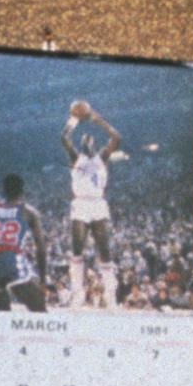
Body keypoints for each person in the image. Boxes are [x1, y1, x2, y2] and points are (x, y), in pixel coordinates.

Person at [61, 100, 122, 308]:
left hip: (97, 204)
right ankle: (78, 293)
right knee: (77, 248)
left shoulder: (102, 158)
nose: (87, 140)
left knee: (104, 250)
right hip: (80, 204)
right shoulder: (75, 158)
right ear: (82, 145)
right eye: (84, 139)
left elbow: (116, 137)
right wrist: (73, 120)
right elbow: (63, 138)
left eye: (90, 139)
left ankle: (110, 295)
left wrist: (97, 120)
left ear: (94, 144)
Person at [0, 173, 49, 313]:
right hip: (11, 261)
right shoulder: (28, 212)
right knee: (39, 310)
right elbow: (41, 249)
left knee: (3, 313)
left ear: (3, 190)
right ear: (22, 190)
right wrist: (43, 280)